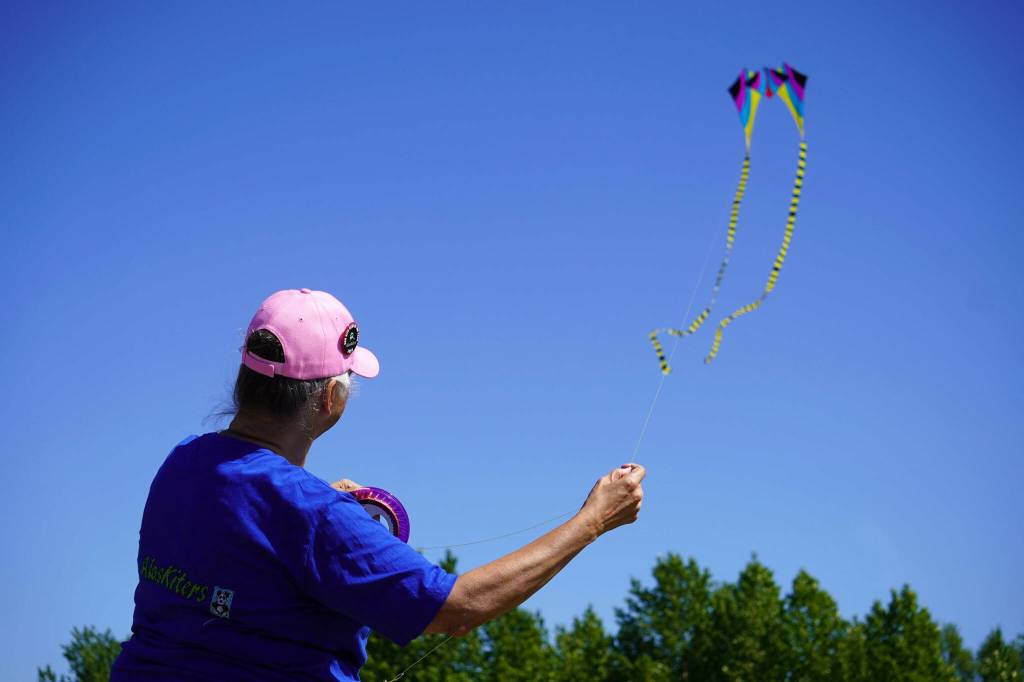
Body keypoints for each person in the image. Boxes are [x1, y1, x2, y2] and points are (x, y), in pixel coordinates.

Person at [111, 288, 646, 681]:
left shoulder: (183, 463)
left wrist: (317, 509)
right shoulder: (314, 516)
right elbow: (458, 606)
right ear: (331, 400)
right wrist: (593, 520)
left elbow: (243, 542)